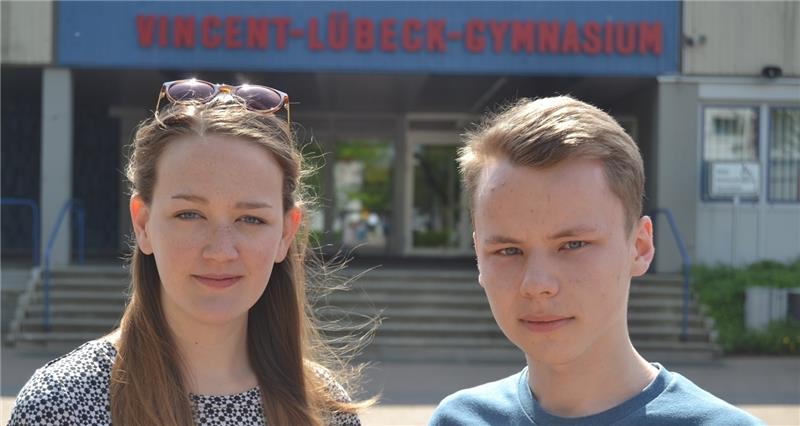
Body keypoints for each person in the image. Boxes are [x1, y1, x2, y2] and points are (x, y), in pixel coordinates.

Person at [10, 79, 368, 426]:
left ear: (286, 233)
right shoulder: (61, 405)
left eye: (251, 219)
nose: (220, 251)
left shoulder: (324, 409)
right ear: (143, 224)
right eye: (189, 215)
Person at [428, 96, 763, 425]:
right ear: (478, 257)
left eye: (573, 244)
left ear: (640, 247)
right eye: (508, 251)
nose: (537, 285)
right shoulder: (458, 419)